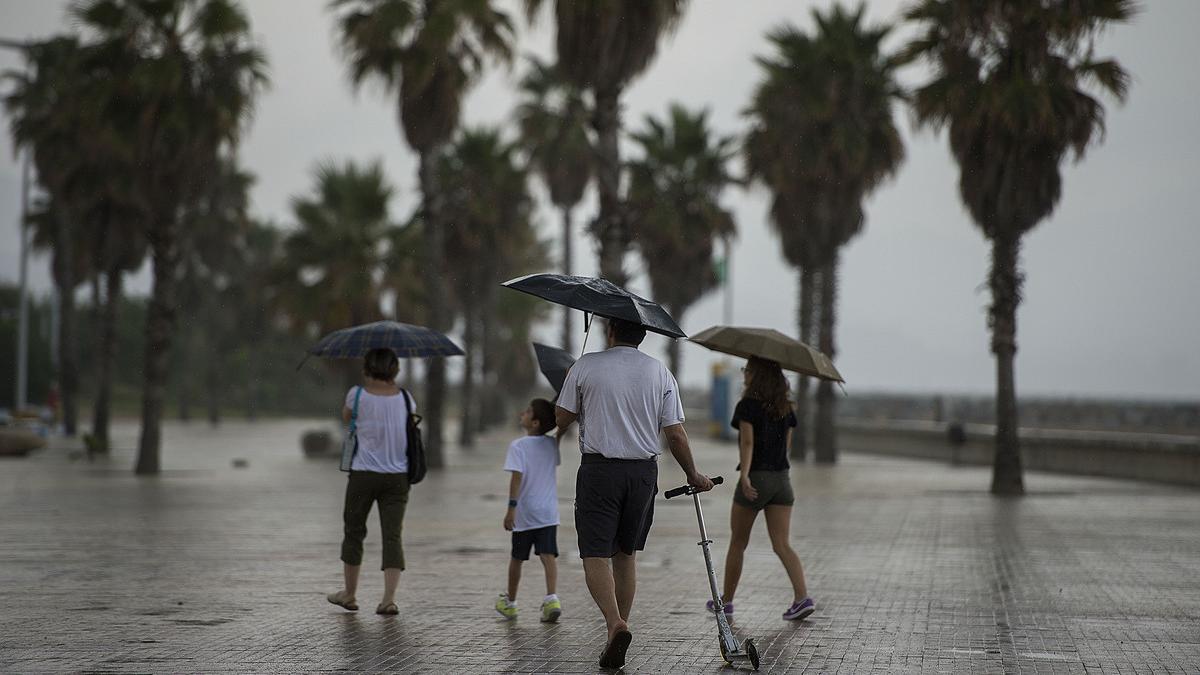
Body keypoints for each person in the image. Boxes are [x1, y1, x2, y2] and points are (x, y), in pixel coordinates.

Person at [556, 317, 714, 669]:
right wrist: (694, 474)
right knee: (625, 554)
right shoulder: (660, 373)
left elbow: (562, 419)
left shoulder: (586, 366)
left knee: (595, 553)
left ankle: (615, 624)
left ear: (610, 330)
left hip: (599, 471)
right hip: (643, 473)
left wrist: (572, 385)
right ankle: (618, 630)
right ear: (641, 335)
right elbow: (675, 435)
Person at [711, 356, 814, 621]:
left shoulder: (747, 406)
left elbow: (747, 444)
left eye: (747, 369)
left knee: (738, 541)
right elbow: (787, 446)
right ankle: (802, 598)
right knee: (782, 543)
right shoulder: (786, 407)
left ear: (757, 375)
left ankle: (727, 601)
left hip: (757, 477)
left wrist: (745, 476)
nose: (744, 373)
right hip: (782, 480)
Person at [326, 348, 414, 616]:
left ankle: (350, 594)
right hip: (398, 477)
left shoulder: (357, 395)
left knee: (354, 531)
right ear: (395, 369)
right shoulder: (407, 398)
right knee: (392, 535)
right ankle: (388, 599)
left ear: (367, 368)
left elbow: (347, 418)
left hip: (363, 474)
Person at [494, 398, 563, 623]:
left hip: (525, 513)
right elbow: (561, 428)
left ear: (534, 423)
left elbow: (516, 478)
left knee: (517, 558)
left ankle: (511, 602)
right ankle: (552, 598)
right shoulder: (552, 444)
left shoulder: (518, 446)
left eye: (528, 411)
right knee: (548, 556)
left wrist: (511, 509)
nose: (522, 413)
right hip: (548, 512)